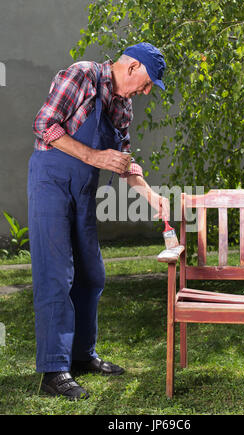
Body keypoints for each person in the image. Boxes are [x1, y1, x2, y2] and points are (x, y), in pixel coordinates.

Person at [28, 42, 169, 400]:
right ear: (133, 67)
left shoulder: (123, 106)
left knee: (91, 274)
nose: (148, 90)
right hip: (51, 183)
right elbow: (44, 124)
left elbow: (121, 160)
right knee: (56, 275)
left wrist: (150, 195)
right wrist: (94, 155)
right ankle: (53, 370)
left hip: (83, 190)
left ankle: (80, 355)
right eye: (149, 81)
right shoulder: (82, 76)